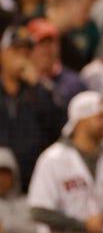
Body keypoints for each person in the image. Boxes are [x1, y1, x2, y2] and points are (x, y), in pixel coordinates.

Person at [27, 91, 103, 233]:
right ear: (81, 121)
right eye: (100, 117)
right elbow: (39, 211)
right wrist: (83, 226)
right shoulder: (53, 158)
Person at [0, 24, 65, 192]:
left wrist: (37, 86)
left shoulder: (43, 91)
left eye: (26, 53)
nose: (21, 59)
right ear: (2, 54)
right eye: (16, 52)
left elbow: (57, 128)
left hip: (33, 182)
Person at [0, 147, 36, 233]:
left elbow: (39, 231)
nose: (1, 179)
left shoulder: (30, 203)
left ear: (14, 175)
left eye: (5, 173)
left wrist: (6, 226)